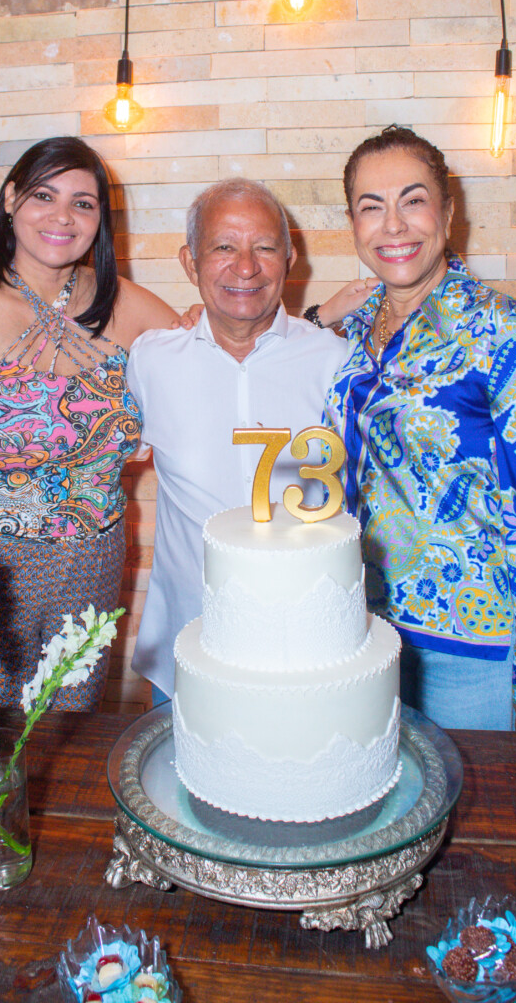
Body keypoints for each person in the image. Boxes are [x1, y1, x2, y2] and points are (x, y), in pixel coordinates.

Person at [312, 126, 516, 731]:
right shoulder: (352, 332)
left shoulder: (506, 331)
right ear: (353, 224)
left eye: (412, 200)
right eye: (371, 207)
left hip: (468, 645)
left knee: (472, 794)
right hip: (360, 632)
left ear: (448, 212)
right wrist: (315, 315)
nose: (393, 225)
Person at [0, 136, 177, 709]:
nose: (62, 216)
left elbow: (216, 361)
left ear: (100, 219)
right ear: (10, 200)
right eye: (44, 196)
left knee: (68, 742)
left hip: (93, 571)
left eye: (83, 203)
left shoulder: (130, 307)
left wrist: (317, 321)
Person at [127, 178, 349, 701]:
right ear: (190, 263)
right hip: (187, 642)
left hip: (308, 645)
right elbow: (92, 455)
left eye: (264, 248)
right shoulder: (151, 360)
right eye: (224, 247)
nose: (245, 267)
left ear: (289, 260)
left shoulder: (336, 361)